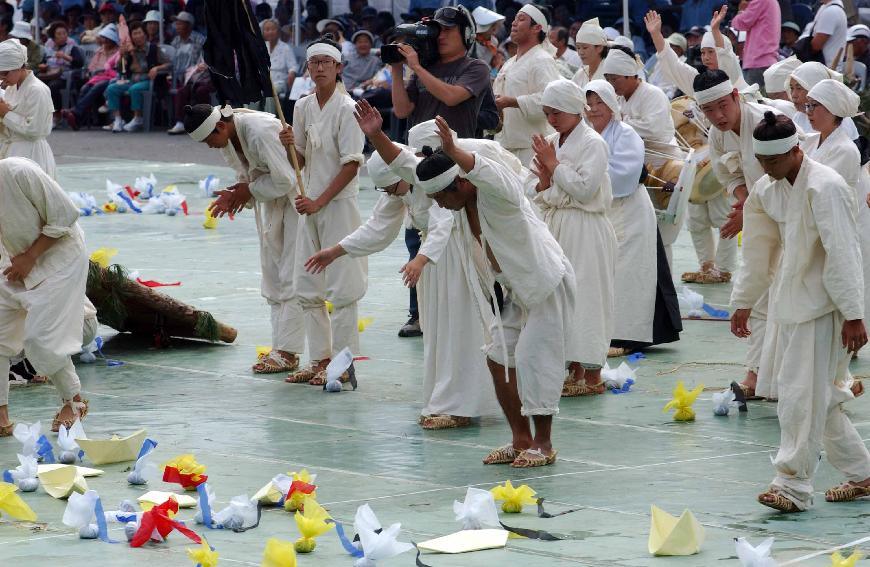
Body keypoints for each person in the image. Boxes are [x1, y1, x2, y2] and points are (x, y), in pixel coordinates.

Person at [308, 103, 501, 429]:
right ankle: (446, 399)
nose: (387, 194)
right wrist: (336, 251)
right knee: (440, 332)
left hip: (454, 256)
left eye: (388, 187)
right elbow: (377, 229)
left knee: (461, 328)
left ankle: (464, 406)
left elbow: (445, 223)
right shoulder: (399, 190)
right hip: (435, 263)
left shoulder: (430, 175)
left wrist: (421, 258)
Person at [417, 115, 578, 468]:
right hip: (515, 291)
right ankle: (521, 440)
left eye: (440, 197)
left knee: (534, 358)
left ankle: (544, 443)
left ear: (459, 185)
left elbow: (488, 172)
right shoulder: (460, 208)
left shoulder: (499, 194)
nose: (438, 205)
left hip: (545, 284)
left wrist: (454, 151)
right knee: (497, 358)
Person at [731, 111, 870, 513]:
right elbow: (757, 250)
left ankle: (792, 485)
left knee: (798, 398)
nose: (767, 168)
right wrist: (743, 301)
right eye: (762, 161)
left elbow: (844, 253)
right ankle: (862, 473)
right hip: (788, 304)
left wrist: (854, 315)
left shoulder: (825, 187)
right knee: (818, 399)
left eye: (773, 160)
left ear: (795, 150)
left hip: (825, 308)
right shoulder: (766, 188)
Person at [390, 5, 491, 338]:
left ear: (465, 34)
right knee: (416, 233)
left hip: (456, 166)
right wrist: (396, 70)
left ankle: (485, 300)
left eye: (447, 30)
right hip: (419, 162)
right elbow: (403, 110)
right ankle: (418, 312)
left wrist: (417, 67)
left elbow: (451, 96)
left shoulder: (475, 67)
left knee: (464, 237)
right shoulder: (425, 68)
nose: (441, 35)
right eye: (437, 30)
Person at [184, 103, 304, 375]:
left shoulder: (259, 130)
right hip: (269, 202)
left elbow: (286, 180)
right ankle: (280, 349)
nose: (210, 147)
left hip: (296, 202)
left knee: (291, 275)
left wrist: (247, 191)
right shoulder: (227, 138)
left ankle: (289, 350)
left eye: (209, 140)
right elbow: (245, 177)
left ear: (221, 126)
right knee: (272, 277)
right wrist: (237, 193)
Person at [280, 36, 367, 386]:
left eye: (325, 63)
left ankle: (344, 366)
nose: (318, 68)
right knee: (307, 285)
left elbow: (351, 165)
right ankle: (320, 359)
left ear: (338, 68)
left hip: (338, 205)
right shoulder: (302, 106)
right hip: (310, 204)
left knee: (343, 289)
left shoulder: (349, 109)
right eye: (313, 62)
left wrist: (319, 201)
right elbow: (301, 160)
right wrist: (287, 146)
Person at [693, 69, 780, 400]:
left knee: (786, 301)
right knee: (759, 298)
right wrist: (745, 202)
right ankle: (757, 375)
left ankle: (781, 376)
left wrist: (751, 209)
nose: (717, 116)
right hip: (761, 220)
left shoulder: (767, 121)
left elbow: (790, 173)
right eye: (708, 111)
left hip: (794, 219)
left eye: (721, 106)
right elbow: (727, 173)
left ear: (734, 96)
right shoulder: (718, 134)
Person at [525, 79, 615, 397]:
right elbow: (529, 187)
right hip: (556, 225)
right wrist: (546, 180)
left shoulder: (594, 143)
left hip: (587, 227)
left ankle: (593, 375)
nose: (552, 119)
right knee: (562, 298)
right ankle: (571, 370)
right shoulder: (550, 141)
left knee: (588, 297)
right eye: (548, 113)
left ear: (576, 109)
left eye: (557, 113)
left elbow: (584, 189)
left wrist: (553, 167)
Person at [584, 79, 681, 356]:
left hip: (630, 211)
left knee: (629, 273)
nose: (593, 109)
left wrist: (587, 175)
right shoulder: (587, 134)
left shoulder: (625, 133)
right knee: (607, 272)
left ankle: (626, 336)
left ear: (611, 105)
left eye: (599, 103)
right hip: (603, 210)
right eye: (589, 104)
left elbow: (625, 174)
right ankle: (607, 331)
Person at [0, 157, 90, 436]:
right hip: (15, 262)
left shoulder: (19, 171)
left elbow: (65, 215)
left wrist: (30, 257)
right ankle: (0, 414)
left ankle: (73, 402)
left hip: (60, 261)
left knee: (41, 340)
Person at [803, 79, 870, 397]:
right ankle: (832, 375)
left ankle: (839, 377)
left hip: (841, 231)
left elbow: (816, 191)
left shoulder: (844, 150)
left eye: (814, 107)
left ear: (832, 111)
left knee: (841, 299)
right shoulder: (812, 141)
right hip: (816, 233)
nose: (809, 112)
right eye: (808, 106)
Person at [493, 3, 560, 166]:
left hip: (532, 150)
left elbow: (552, 103)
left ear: (536, 28)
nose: (513, 23)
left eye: (521, 19)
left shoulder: (542, 60)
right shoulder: (509, 63)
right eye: (514, 19)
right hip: (504, 147)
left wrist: (513, 102)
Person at [0, 40, 56, 179]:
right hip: (12, 152)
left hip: (32, 154)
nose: (2, 78)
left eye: (5, 73)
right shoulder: (11, 89)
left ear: (19, 67)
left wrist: (5, 113)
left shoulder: (37, 90)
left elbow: (35, 129)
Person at [104, 21, 166, 133]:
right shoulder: (129, 50)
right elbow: (121, 70)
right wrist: (122, 56)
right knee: (112, 88)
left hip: (147, 80)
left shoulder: (153, 48)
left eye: (139, 33)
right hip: (131, 79)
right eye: (134, 34)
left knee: (135, 89)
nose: (137, 36)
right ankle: (118, 119)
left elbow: (168, 63)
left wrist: (157, 68)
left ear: (145, 34)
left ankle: (138, 117)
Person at [61, 24, 121, 131]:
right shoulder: (99, 51)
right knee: (84, 88)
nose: (106, 41)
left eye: (109, 39)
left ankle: (75, 113)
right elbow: (91, 67)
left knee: (97, 87)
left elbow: (117, 68)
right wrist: (92, 73)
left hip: (111, 78)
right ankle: (77, 119)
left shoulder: (118, 51)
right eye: (104, 38)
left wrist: (103, 71)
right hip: (96, 77)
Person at [788, 62, 859, 139]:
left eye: (799, 88)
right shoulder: (799, 116)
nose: (793, 95)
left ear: (815, 88)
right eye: (791, 88)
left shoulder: (838, 120)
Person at [729, 0, 780, 87]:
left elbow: (739, 24)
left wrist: (742, 11)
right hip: (767, 60)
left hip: (757, 61)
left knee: (750, 100)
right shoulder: (773, 1)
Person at [39, 21, 84, 118]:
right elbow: (43, 61)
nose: (63, 36)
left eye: (64, 33)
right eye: (59, 34)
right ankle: (41, 115)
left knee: (52, 86)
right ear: (53, 36)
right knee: (37, 86)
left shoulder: (72, 47)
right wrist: (43, 66)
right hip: (49, 75)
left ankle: (57, 114)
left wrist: (65, 57)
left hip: (65, 77)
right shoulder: (49, 47)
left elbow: (79, 62)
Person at [803, 0, 848, 67]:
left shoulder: (832, 11)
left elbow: (816, 46)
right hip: (826, 67)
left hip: (827, 69)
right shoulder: (828, 8)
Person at [570, 18, 607, 88]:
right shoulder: (580, 74)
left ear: (599, 48)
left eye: (585, 48)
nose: (581, 52)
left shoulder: (609, 72)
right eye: (578, 48)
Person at [469, 5, 504, 70]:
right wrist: (496, 68)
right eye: (492, 25)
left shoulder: (493, 42)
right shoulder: (470, 43)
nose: (495, 27)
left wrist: (498, 65)